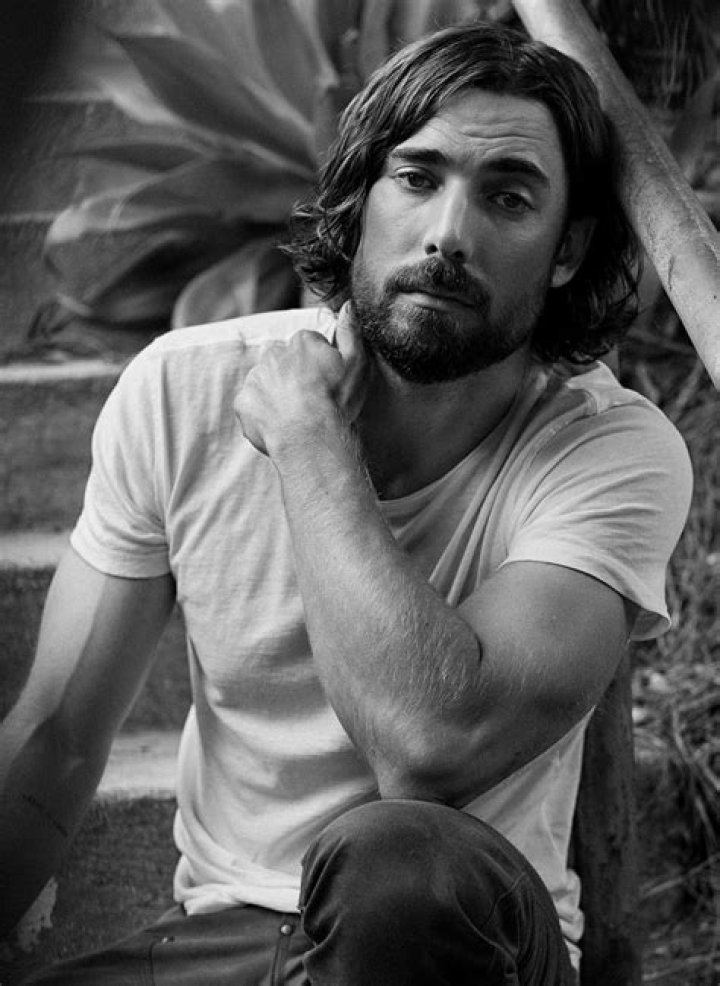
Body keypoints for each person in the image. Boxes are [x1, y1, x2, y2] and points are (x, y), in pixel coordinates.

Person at [0, 21, 692, 986]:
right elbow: (57, 739)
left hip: (460, 937)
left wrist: (310, 440)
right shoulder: (181, 390)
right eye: (417, 178)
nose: (448, 234)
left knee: (398, 855)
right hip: (225, 938)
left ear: (568, 249)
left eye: (508, 197)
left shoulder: (606, 450)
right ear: (361, 199)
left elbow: (429, 746)